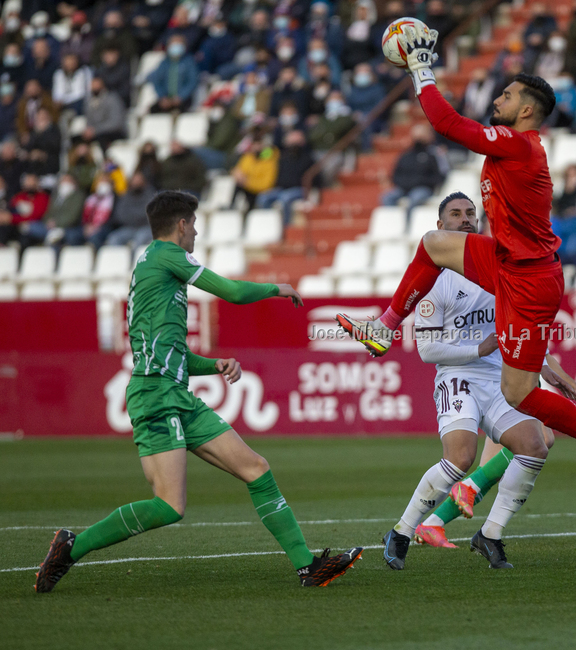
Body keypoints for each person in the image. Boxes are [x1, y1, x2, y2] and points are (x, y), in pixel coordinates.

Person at [336, 28, 576, 530]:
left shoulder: (520, 146)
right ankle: (385, 328)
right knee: (434, 243)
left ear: (527, 109)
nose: (497, 99)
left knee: (519, 393)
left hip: (530, 279)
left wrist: (421, 69)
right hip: (505, 259)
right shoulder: (515, 146)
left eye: (507, 94)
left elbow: (448, 123)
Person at [35, 191, 364, 593]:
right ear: (183, 225)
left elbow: (174, 352)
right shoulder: (167, 255)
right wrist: (277, 287)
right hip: (155, 395)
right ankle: (72, 546)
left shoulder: (153, 266)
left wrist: (213, 364)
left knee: (255, 468)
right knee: (169, 506)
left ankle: (307, 566)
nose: (197, 233)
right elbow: (231, 291)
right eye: (194, 225)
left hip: (176, 393)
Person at [384, 193, 576, 566]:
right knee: (460, 457)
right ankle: (400, 531)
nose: (465, 220)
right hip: (458, 376)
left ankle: (489, 534)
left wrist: (559, 378)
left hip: (501, 378)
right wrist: (478, 349)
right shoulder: (434, 280)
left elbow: (524, 336)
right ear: (440, 226)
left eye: (470, 214)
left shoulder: (503, 273)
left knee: (536, 445)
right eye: (455, 215)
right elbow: (427, 350)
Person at [380, 124, 446, 212]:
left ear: (429, 136)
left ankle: (408, 225)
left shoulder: (435, 154)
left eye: (422, 136)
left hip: (424, 188)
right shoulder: (405, 155)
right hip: (404, 188)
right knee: (387, 198)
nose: (419, 139)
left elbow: (441, 175)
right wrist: (406, 184)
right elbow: (395, 175)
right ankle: (394, 224)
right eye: (417, 136)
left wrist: (421, 182)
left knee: (415, 198)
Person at [257, 130, 313, 227]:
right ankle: (269, 225)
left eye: (296, 142)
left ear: (302, 142)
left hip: (299, 189)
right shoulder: (281, 157)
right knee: (263, 198)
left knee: (285, 198)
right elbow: (262, 156)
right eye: (291, 142)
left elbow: (314, 178)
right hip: (281, 189)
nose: (293, 145)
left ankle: (286, 227)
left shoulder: (308, 158)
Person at [147, 36, 199, 113]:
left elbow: (192, 81)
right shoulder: (164, 63)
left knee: (181, 110)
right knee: (153, 110)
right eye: (173, 44)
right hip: (166, 98)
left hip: (183, 99)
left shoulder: (189, 62)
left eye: (179, 44)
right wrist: (162, 97)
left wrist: (181, 96)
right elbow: (157, 80)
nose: (176, 47)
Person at [104, 172, 157, 247]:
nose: (136, 183)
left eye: (139, 180)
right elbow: (120, 215)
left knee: (139, 239)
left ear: (144, 181)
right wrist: (138, 216)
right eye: (134, 180)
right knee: (113, 238)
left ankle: (138, 259)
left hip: (146, 228)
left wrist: (132, 215)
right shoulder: (125, 196)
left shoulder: (150, 194)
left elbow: (150, 214)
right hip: (129, 228)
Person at [83, 76, 126, 151]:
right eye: (93, 84)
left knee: (102, 138)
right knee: (77, 139)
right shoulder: (89, 102)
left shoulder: (112, 99)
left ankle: (106, 160)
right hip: (96, 133)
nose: (94, 87)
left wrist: (96, 130)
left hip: (114, 132)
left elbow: (116, 123)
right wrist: (89, 131)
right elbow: (88, 121)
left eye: (97, 84)